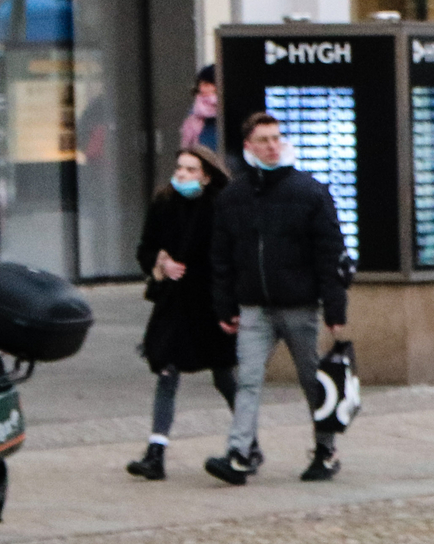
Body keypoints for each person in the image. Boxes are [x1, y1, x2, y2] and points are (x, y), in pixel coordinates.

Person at [206, 111, 349, 486]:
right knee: (249, 380)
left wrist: (335, 308)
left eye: (276, 138)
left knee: (311, 380)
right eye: (263, 140)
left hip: (299, 304)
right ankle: (239, 453)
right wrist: (224, 305)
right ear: (249, 146)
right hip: (254, 306)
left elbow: (329, 252)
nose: (272, 146)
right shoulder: (234, 196)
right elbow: (221, 256)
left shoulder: (308, 191)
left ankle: (325, 449)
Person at [124, 145, 235, 480]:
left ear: (206, 175)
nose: (182, 174)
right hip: (173, 303)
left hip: (209, 303)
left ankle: (248, 441)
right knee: (167, 370)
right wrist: (161, 261)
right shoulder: (164, 203)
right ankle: (155, 452)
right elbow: (145, 249)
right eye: (179, 168)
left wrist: (229, 305)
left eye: (190, 169)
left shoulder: (219, 206)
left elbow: (227, 258)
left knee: (224, 375)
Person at [178, 65, 219, 154]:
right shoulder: (196, 110)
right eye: (200, 84)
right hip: (201, 155)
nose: (202, 89)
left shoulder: (224, 109)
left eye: (207, 85)